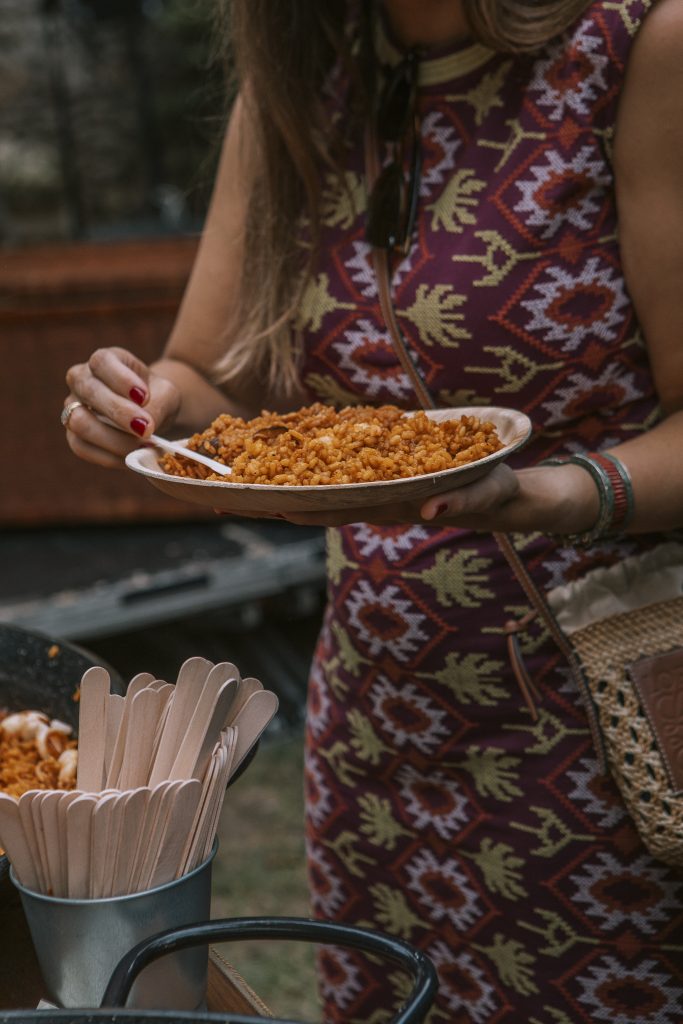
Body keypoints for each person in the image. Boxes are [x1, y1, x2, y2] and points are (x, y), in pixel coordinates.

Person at [62, 0, 683, 1020]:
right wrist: (145, 402)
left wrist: (548, 493)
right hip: (379, 725)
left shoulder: (638, 44)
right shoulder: (300, 78)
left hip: (600, 722)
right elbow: (213, 381)